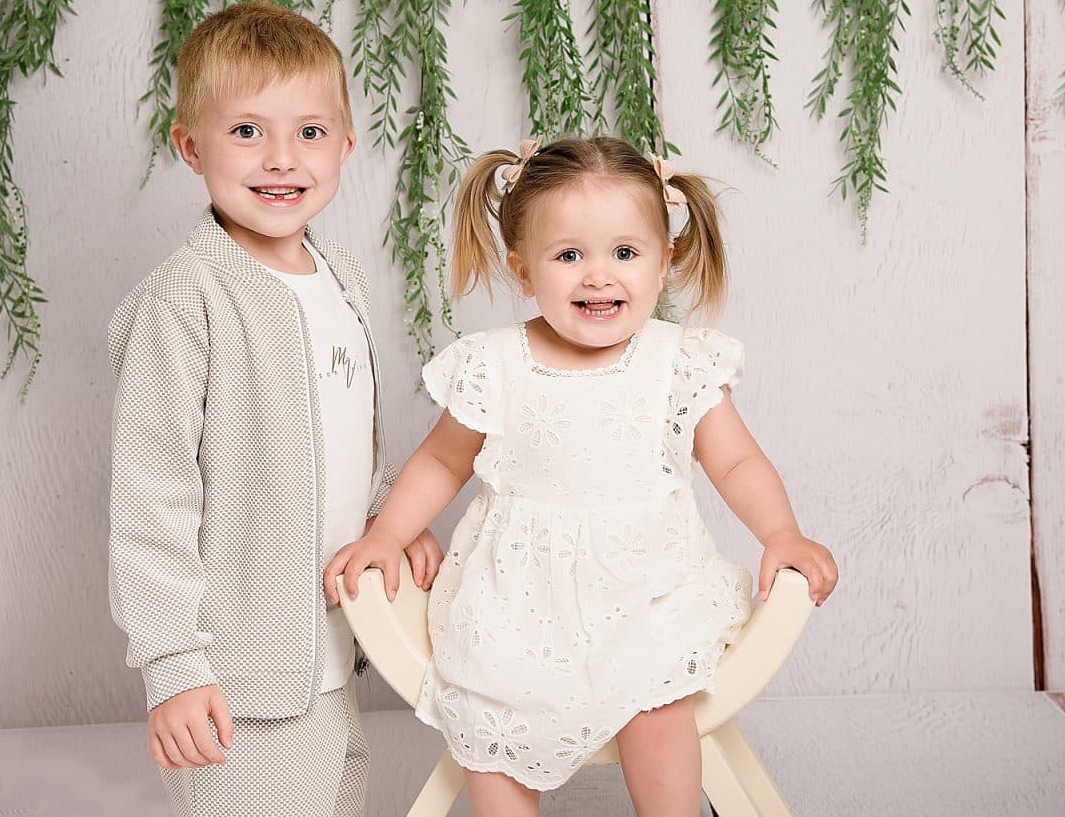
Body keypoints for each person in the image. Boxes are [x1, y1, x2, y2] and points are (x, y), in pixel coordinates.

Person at [325, 136, 837, 816]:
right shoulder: (497, 362)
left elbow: (737, 460)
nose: (598, 276)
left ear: (665, 262)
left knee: (658, 710)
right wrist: (388, 533)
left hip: (646, 591)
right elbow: (442, 462)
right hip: (518, 599)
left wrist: (783, 533)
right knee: (491, 717)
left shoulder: (677, 361)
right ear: (524, 270)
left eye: (625, 253)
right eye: (569, 256)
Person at [107, 0, 443, 817]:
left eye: (310, 132)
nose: (281, 158)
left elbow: (343, 446)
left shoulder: (342, 283)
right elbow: (150, 497)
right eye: (247, 131)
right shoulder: (185, 299)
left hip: (332, 655)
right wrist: (175, 665)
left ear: (346, 145)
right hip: (235, 676)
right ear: (191, 146)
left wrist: (392, 522)